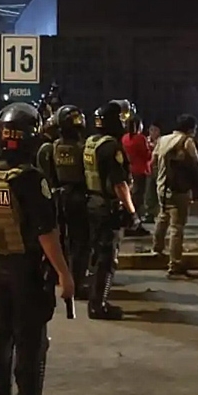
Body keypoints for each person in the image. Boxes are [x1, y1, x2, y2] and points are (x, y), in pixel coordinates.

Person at [0, 101, 75, 395]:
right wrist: (64, 273)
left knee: (1, 335)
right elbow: (46, 232)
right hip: (27, 272)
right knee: (31, 341)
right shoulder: (31, 179)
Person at [83, 100, 139, 319]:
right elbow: (119, 184)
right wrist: (132, 212)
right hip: (108, 208)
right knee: (108, 259)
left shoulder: (91, 142)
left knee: (97, 255)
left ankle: (95, 300)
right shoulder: (111, 147)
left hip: (93, 204)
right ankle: (99, 305)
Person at [45, 105, 92, 299]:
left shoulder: (50, 148)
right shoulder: (83, 149)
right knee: (80, 243)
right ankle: (77, 282)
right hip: (78, 198)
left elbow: (47, 175)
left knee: (58, 239)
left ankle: (55, 275)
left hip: (56, 197)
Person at [152, 115, 198, 278]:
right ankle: (175, 263)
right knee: (177, 227)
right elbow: (195, 164)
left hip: (162, 187)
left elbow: (154, 161)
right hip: (180, 189)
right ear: (190, 128)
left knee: (163, 215)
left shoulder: (163, 140)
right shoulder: (187, 141)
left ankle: (156, 248)